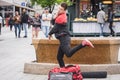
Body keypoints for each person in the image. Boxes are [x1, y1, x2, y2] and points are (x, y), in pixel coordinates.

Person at [48, 2, 94, 67]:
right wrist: (56, 15)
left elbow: (55, 27)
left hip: (64, 38)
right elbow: (53, 23)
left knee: (68, 54)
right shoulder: (59, 16)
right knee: (59, 57)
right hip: (63, 38)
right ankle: (63, 70)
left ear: (64, 10)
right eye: (59, 8)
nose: (59, 10)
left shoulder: (62, 17)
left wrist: (49, 34)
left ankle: (83, 43)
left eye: (61, 9)